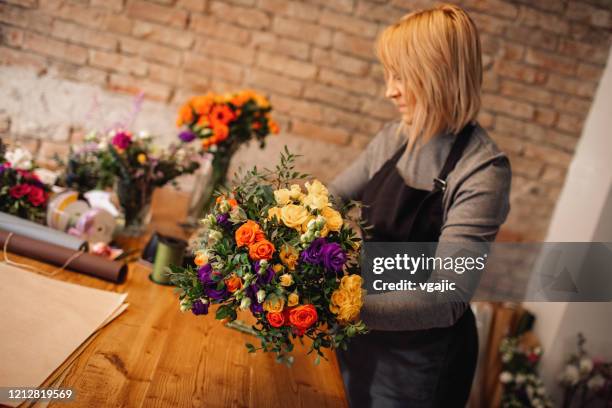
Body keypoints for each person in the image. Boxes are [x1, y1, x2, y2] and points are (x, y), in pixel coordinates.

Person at [328, 4, 512, 407]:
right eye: (388, 75)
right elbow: (330, 199)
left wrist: (338, 306)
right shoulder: (397, 136)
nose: (389, 90)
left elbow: (446, 298)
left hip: (418, 366)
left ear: (439, 73)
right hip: (359, 338)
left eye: (400, 77)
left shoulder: (483, 171)